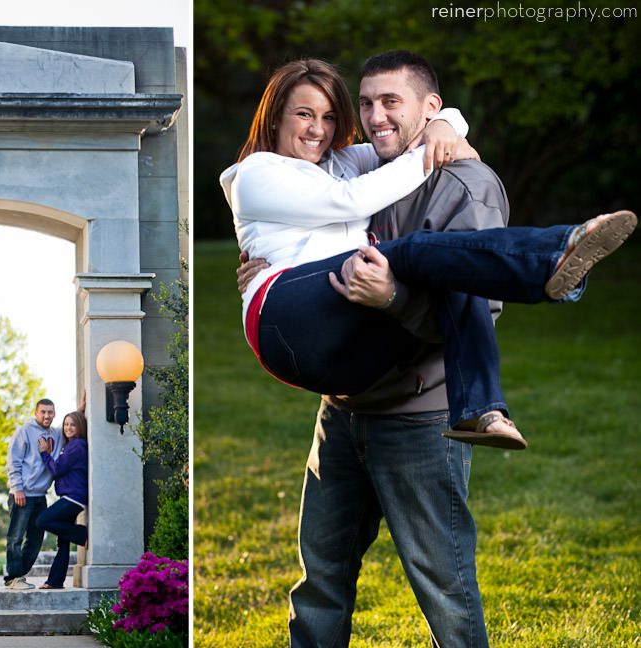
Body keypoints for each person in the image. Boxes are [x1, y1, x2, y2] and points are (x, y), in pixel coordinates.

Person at [229, 52, 634, 646]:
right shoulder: (351, 170)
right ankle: (551, 264)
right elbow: (332, 211)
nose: (374, 117)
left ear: (427, 107)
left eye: (390, 103)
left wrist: (393, 297)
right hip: (344, 407)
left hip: (416, 414)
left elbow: (478, 309)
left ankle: (553, 269)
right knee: (320, 581)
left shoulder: (466, 184)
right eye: (365, 104)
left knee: (445, 589)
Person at [222, 56, 635, 449]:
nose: (319, 129)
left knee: (450, 272)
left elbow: (402, 141)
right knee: (414, 251)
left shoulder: (341, 161)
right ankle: (552, 256)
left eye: (329, 117)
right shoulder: (257, 173)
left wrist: (443, 126)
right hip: (284, 317)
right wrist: (432, 150)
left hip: (343, 346)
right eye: (304, 114)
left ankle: (479, 410)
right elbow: (351, 200)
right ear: (275, 116)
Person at [3, 398, 63, 591]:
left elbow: (71, 425)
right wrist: (18, 488)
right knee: (16, 537)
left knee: (36, 539)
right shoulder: (24, 431)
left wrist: (81, 409)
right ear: (36, 413)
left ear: (54, 414)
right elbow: (14, 461)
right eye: (43, 412)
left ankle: (18, 575)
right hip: (22, 494)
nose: (46, 415)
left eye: (50, 412)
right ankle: (13, 578)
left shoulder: (56, 434)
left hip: (40, 496)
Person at [33, 410, 89, 590]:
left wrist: (44, 453)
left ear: (80, 427)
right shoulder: (72, 445)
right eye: (66, 424)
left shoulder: (77, 445)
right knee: (63, 541)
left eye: (73, 424)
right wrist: (80, 408)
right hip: (71, 496)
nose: (68, 428)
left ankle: (81, 534)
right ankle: (55, 581)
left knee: (42, 520)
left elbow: (56, 469)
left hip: (74, 497)